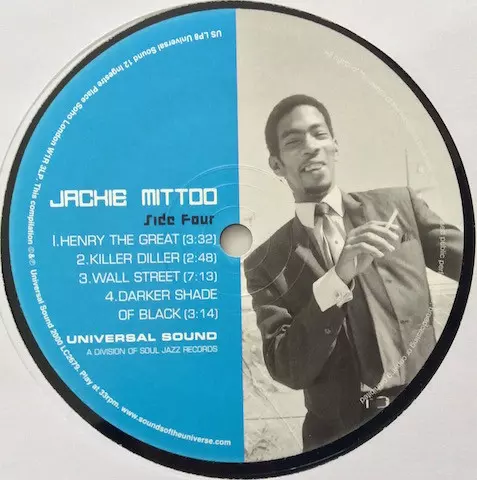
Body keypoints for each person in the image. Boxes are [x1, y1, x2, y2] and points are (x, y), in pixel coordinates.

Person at [243, 94, 463, 452]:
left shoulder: (400, 206)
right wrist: (337, 279)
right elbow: (287, 368)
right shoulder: (265, 262)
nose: (311, 147)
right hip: (334, 443)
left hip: (426, 419)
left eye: (319, 135)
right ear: (276, 164)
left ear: (335, 146)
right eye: (294, 141)